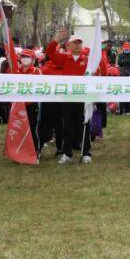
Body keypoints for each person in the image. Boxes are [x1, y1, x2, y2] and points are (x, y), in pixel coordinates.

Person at [45, 31, 92, 164]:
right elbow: (49, 53)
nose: (77, 45)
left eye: (79, 43)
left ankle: (86, 153)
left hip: (83, 98)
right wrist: (56, 40)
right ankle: (67, 153)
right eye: (74, 43)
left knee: (84, 125)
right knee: (68, 126)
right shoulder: (64, 58)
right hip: (68, 97)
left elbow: (96, 76)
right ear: (68, 45)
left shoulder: (88, 60)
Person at [16, 49, 43, 156]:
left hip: (32, 104)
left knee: (32, 128)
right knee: (20, 128)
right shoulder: (16, 71)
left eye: (27, 57)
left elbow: (41, 86)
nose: (25, 59)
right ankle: (22, 151)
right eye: (23, 56)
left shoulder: (36, 71)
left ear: (33, 59)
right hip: (19, 105)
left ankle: (36, 151)